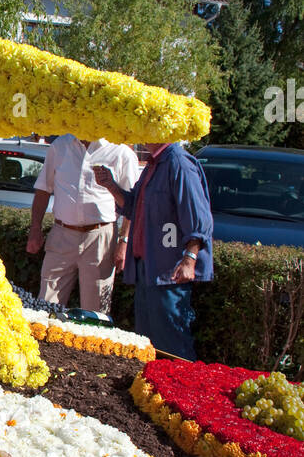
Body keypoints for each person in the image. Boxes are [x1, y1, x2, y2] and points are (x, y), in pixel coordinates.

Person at [94, 143, 214, 361]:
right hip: (147, 270)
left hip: (168, 273)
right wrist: (110, 185)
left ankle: (179, 390)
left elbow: (198, 218)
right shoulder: (153, 164)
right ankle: (151, 391)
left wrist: (190, 258)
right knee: (147, 343)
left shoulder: (178, 162)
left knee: (171, 344)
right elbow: (132, 207)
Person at [27, 135, 140, 313]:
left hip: (100, 237)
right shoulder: (60, 146)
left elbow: (133, 203)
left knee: (96, 312)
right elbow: (43, 189)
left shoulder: (121, 152)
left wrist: (124, 241)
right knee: (45, 307)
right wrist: (35, 228)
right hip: (62, 234)